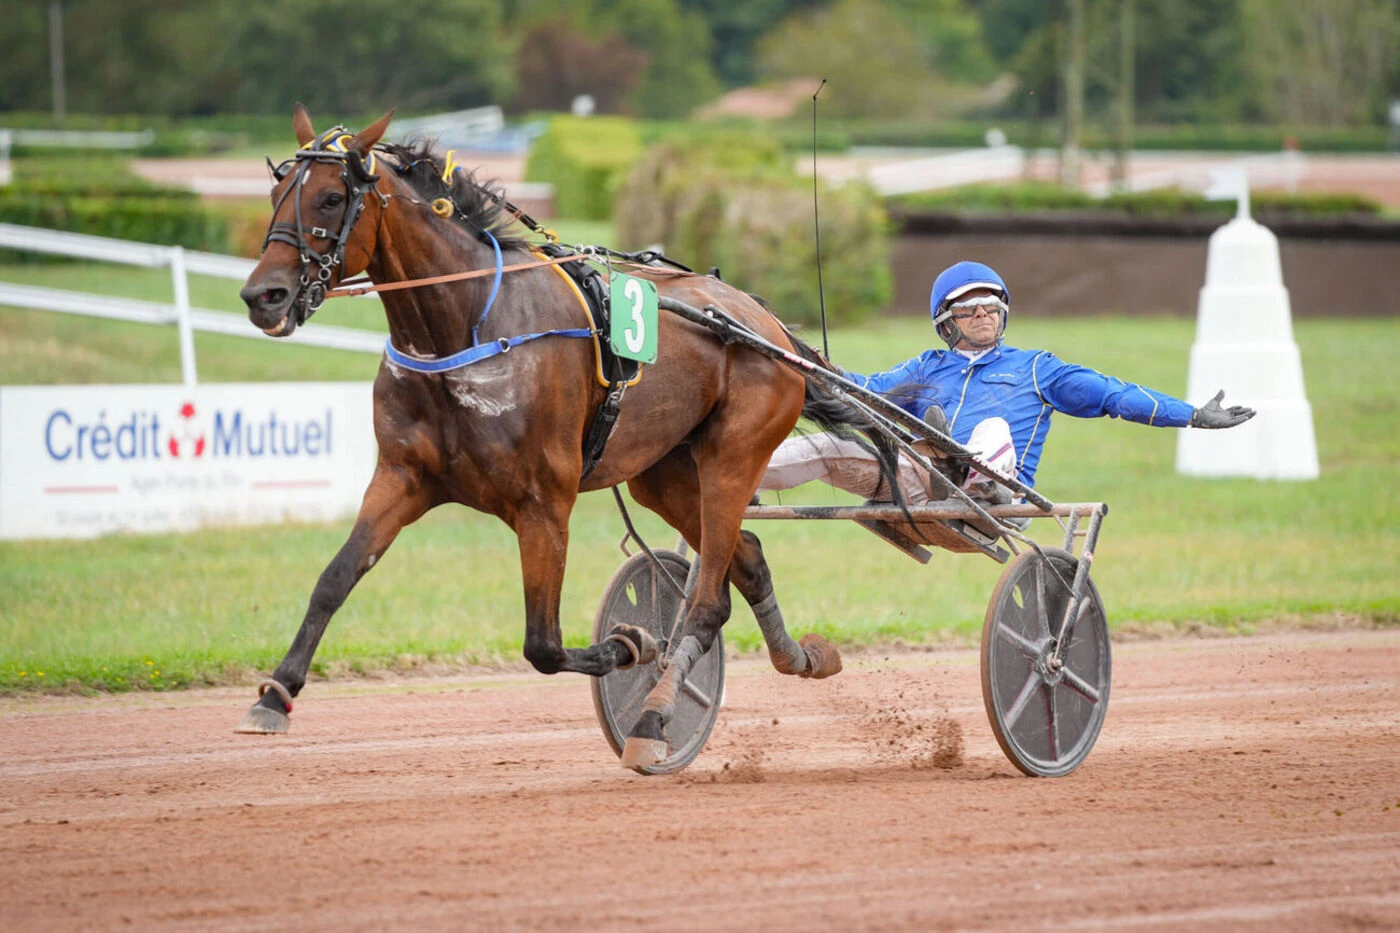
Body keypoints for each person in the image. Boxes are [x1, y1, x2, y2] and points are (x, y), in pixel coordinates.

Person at [759, 260, 1255, 506]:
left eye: (990, 308)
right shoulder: (924, 368)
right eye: (968, 309)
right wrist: (803, 361)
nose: (982, 316)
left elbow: (1114, 395)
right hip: (917, 485)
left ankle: (969, 477)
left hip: (1001, 497)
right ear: (946, 322)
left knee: (992, 428)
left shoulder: (1038, 368)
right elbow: (860, 388)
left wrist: (1191, 415)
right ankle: (730, 481)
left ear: (1003, 315)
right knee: (828, 445)